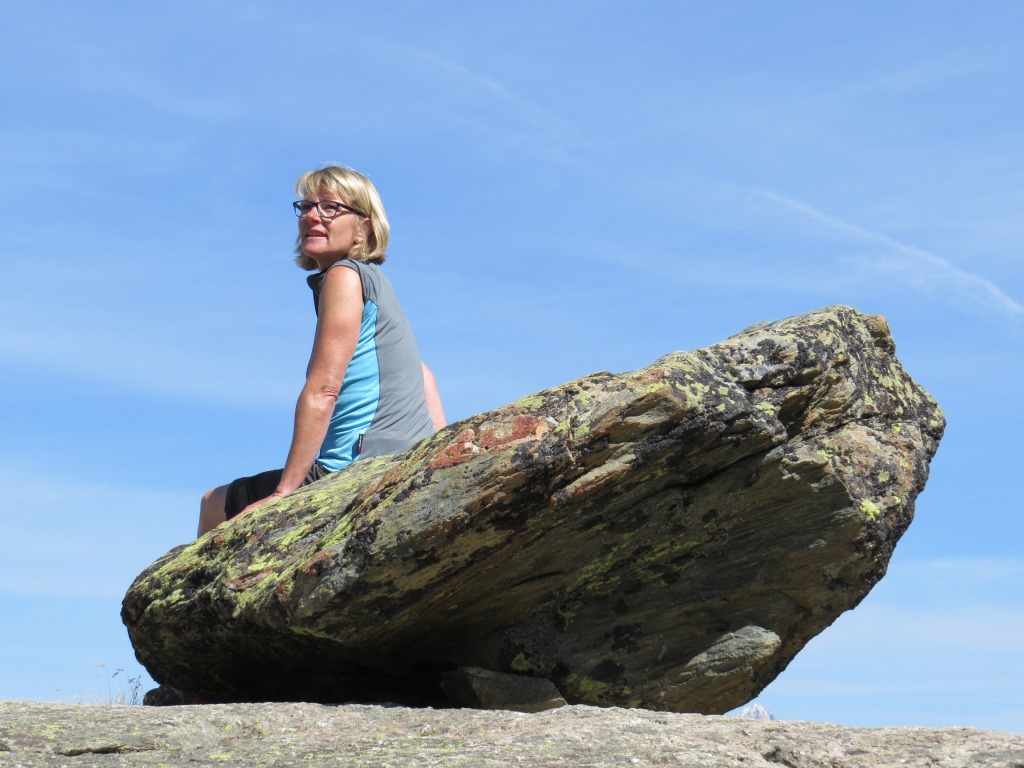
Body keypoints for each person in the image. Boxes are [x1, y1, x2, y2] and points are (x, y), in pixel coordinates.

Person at [197, 166, 446, 536]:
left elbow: (324, 389)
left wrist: (285, 492)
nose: (313, 216)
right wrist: (439, 456)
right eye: (307, 207)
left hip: (355, 465)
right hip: (405, 459)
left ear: (364, 227)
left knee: (213, 503)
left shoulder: (344, 276)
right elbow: (424, 376)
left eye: (331, 207)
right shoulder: (378, 286)